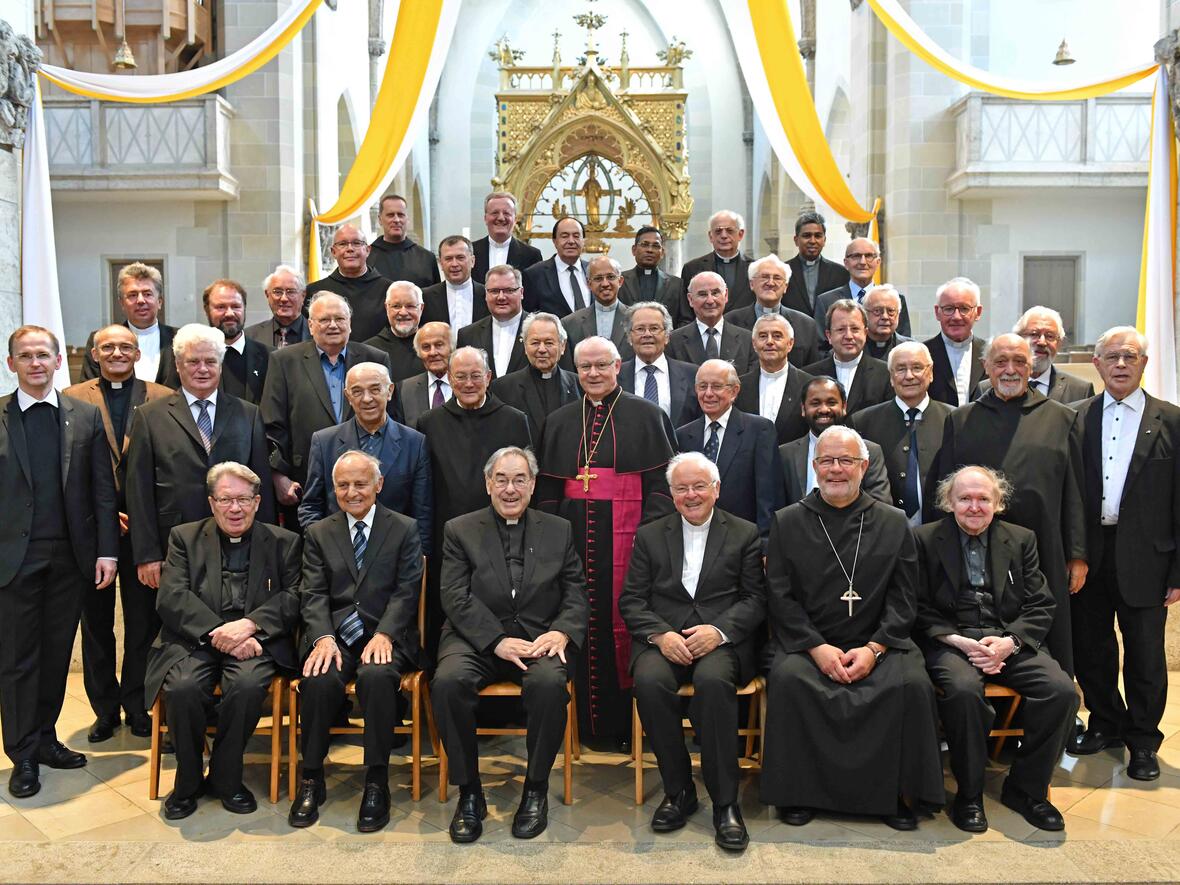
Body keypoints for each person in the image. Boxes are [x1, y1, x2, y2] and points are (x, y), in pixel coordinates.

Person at [760, 426, 944, 829]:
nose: (836, 469)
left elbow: (905, 597)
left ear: (864, 466)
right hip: (809, 644)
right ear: (814, 467)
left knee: (911, 684)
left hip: (880, 640)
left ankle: (895, 795)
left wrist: (875, 647)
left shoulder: (895, 523)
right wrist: (816, 648)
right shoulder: (788, 522)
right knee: (790, 680)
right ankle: (799, 794)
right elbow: (780, 596)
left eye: (846, 460)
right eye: (827, 460)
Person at [433, 447, 588, 843]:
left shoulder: (559, 529)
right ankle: (469, 793)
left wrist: (563, 633)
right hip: (476, 639)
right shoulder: (459, 529)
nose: (510, 488)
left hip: (539, 638)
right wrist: (496, 641)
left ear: (533, 485)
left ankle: (535, 790)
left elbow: (575, 590)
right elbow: (454, 596)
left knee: (550, 685)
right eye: (501, 479)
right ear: (488, 484)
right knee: (448, 683)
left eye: (520, 479)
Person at [915, 466, 1076, 833]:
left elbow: (1040, 603)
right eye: (965, 498)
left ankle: (1026, 790)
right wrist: (955, 639)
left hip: (1008, 640)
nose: (974, 506)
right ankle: (969, 795)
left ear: (997, 503)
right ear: (948, 502)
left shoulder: (1022, 539)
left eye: (983, 498)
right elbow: (916, 605)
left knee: (1061, 691)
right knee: (962, 691)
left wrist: (1009, 642)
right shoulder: (924, 539)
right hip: (952, 641)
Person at [620, 452, 766, 851]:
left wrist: (719, 631)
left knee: (713, 681)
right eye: (682, 487)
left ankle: (725, 803)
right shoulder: (650, 535)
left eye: (699, 485)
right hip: (664, 638)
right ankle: (679, 790)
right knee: (648, 682)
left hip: (720, 642)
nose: (691, 494)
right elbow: (631, 600)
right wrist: (661, 636)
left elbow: (755, 600)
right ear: (670, 494)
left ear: (716, 489)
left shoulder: (745, 533)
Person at [536, 336, 676, 745]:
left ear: (619, 366)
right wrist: (555, 539)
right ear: (575, 370)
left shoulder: (647, 415)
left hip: (629, 543)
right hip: (573, 542)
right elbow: (547, 491)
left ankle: (627, 729)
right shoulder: (560, 420)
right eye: (584, 367)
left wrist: (645, 540)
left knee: (622, 625)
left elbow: (663, 488)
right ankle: (582, 727)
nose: (593, 374)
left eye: (601, 366)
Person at [0, 326, 118, 799]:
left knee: (53, 656)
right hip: (13, 561)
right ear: (11, 364)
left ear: (56, 362)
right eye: (25, 356)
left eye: (43, 355)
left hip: (71, 558)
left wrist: (107, 550)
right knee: (17, 661)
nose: (35, 363)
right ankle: (22, 753)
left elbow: (102, 492)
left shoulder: (84, 417)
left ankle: (46, 739)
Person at [146, 462, 301, 820]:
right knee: (182, 688)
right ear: (212, 502)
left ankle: (225, 777)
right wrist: (220, 632)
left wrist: (249, 625)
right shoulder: (183, 538)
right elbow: (171, 597)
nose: (236, 508)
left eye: (244, 499)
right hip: (194, 640)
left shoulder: (284, 542)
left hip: (255, 641)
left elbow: (294, 596)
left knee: (247, 686)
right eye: (226, 499)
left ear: (258, 502)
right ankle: (187, 781)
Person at [288, 451, 423, 832]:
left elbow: (407, 590)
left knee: (377, 678)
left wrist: (385, 633)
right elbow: (311, 593)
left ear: (378, 485)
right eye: (343, 485)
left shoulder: (404, 529)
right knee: (318, 678)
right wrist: (322, 638)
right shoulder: (318, 533)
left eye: (360, 483)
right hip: (335, 636)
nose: (352, 492)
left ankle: (376, 780)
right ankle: (312, 776)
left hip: (385, 633)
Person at [937, 333, 1087, 673]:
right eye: (1000, 362)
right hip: (975, 549)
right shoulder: (961, 420)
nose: (1010, 370)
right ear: (986, 367)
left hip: (1045, 545)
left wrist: (1077, 553)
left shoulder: (1062, 419)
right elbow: (945, 493)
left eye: (1019, 361)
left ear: (1031, 367)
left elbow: (1075, 491)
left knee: (1048, 631)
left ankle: (1051, 707)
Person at [1069, 326, 1180, 781]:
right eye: (1111, 356)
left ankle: (1143, 740)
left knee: (1145, 655)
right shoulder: (1075, 417)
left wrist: (1178, 570)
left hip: (1148, 558)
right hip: (1090, 554)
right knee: (1092, 648)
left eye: (1129, 356)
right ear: (1096, 364)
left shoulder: (1172, 420)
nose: (1120, 364)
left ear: (1143, 364)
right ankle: (1106, 722)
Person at [64, 325, 171, 743]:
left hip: (145, 530)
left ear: (137, 353)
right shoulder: (72, 398)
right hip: (92, 532)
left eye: (125, 347)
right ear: (95, 352)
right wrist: (103, 514)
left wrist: (135, 514)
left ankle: (137, 704)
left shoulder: (161, 396)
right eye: (108, 347)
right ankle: (104, 709)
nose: (116, 353)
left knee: (143, 624)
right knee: (96, 624)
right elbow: (69, 470)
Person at [126, 324, 275, 596]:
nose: (202, 369)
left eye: (210, 361)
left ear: (221, 364)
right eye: (193, 362)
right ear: (179, 365)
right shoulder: (150, 416)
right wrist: (147, 554)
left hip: (236, 542)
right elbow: (138, 490)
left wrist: (264, 548)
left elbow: (260, 484)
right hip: (171, 542)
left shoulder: (249, 414)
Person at [416, 347, 532, 661]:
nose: (468, 383)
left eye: (475, 376)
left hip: (503, 535)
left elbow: (524, 483)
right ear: (449, 379)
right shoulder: (429, 423)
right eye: (461, 377)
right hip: (448, 537)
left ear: (489, 378)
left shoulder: (514, 420)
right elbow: (424, 488)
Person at [260, 292, 392, 524]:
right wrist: (279, 476)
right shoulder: (284, 361)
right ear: (310, 325)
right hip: (306, 484)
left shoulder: (375, 359)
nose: (333, 325)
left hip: (367, 486)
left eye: (340, 319)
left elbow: (391, 418)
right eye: (324, 319)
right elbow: (272, 424)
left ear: (350, 324)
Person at [298, 363, 432, 560]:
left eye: (375, 389)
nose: (367, 399)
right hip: (337, 560)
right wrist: (324, 548)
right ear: (347, 396)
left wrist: (418, 561)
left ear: (390, 391)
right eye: (357, 391)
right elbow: (311, 506)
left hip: (395, 559)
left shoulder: (415, 443)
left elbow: (423, 513)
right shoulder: (324, 442)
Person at [675, 361, 783, 547]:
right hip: (695, 540)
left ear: (734, 391)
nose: (708, 393)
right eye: (702, 387)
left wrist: (766, 544)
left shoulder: (759, 430)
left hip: (743, 541)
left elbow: (768, 494)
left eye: (716, 386)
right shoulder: (683, 435)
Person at [852, 342, 952, 525]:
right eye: (900, 369)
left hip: (940, 529)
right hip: (884, 528)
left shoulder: (953, 418)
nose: (909, 376)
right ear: (891, 377)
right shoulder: (863, 422)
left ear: (930, 373)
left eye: (917, 368)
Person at [779, 377, 891, 507]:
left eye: (831, 403)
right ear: (803, 409)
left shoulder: (870, 451)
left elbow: (881, 506)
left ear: (844, 407)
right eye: (815, 403)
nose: (824, 409)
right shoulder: (786, 454)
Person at [80, 262, 179, 388]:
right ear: (122, 303)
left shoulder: (181, 339)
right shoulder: (101, 340)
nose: (141, 301)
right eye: (132, 295)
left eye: (147, 294)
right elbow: (88, 390)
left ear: (159, 302)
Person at [489, 312, 581, 438]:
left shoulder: (580, 384)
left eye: (549, 343)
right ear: (525, 347)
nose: (542, 349)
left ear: (562, 346)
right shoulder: (502, 388)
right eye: (535, 343)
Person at [976, 306, 1095, 403]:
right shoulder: (987, 388)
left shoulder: (1080, 391)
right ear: (1019, 338)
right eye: (1034, 334)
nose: (1042, 342)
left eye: (1049, 336)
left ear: (1059, 343)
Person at [724, 253, 820, 368]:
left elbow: (812, 371)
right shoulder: (730, 321)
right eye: (764, 277)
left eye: (777, 278)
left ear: (785, 287)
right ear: (751, 284)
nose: (770, 283)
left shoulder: (806, 325)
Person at [618, 301, 702, 429]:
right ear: (629, 337)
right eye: (640, 329)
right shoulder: (615, 376)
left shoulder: (693, 374)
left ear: (667, 336)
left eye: (654, 328)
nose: (647, 334)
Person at [305, 223, 394, 343]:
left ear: (368, 250)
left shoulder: (390, 291)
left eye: (357, 243)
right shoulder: (313, 291)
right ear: (333, 252)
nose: (350, 249)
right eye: (342, 244)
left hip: (375, 360)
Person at [735, 314, 813, 445]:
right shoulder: (739, 386)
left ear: (790, 343)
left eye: (777, 336)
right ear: (754, 344)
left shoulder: (809, 385)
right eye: (763, 336)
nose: (769, 341)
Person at [803, 299, 892, 415]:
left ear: (865, 334)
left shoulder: (886, 374)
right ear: (829, 336)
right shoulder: (809, 376)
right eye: (841, 329)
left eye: (855, 329)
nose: (849, 336)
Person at [814, 238, 911, 338]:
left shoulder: (895, 300)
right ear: (846, 263)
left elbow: (903, 344)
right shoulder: (826, 301)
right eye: (856, 256)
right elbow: (821, 347)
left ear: (878, 262)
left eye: (869, 256)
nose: (863, 262)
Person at [666, 272, 756, 373]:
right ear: (690, 299)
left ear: (725, 295)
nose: (710, 300)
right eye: (702, 294)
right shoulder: (673, 341)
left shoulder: (748, 340)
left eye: (715, 293)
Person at [203, 279, 269, 403]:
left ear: (244, 308)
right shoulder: (192, 359)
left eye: (236, 306)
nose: (229, 313)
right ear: (207, 310)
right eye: (221, 307)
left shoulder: (270, 358)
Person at [456, 265, 527, 380]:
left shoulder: (538, 330)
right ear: (486, 294)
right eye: (494, 291)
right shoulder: (468, 335)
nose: (501, 297)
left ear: (521, 292)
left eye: (509, 290)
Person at [924, 277, 985, 407]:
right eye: (948, 309)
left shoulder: (991, 354)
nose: (956, 317)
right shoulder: (922, 354)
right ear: (937, 312)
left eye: (964, 308)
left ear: (978, 312)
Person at [561, 256, 634, 361]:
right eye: (598, 278)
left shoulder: (635, 319)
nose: (605, 284)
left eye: (610, 277)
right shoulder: (570, 323)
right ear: (589, 284)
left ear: (620, 281)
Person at [679, 210, 754, 313]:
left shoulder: (755, 268)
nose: (723, 236)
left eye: (729, 230)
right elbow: (686, 311)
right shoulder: (692, 268)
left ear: (740, 234)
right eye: (718, 231)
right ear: (711, 236)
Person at [367, 193, 440, 289]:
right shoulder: (367, 257)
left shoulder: (426, 258)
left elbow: (435, 296)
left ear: (407, 219)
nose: (396, 220)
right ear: (380, 219)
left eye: (401, 215)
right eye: (390, 215)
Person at [522, 216, 591, 317]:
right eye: (564, 236)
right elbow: (527, 316)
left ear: (583, 241)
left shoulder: (593, 271)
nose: (571, 241)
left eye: (576, 236)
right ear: (554, 241)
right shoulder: (534, 275)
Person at [784, 211, 849, 315]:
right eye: (807, 236)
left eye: (818, 236)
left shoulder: (840, 273)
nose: (813, 241)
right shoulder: (783, 271)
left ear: (824, 240)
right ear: (796, 240)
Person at [618, 226, 685, 326]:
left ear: (662, 252)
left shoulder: (676, 284)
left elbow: (685, 320)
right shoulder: (619, 281)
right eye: (644, 245)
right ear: (634, 250)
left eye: (655, 246)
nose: (650, 250)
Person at [471, 191, 542, 284]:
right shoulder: (471, 252)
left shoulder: (532, 255)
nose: (501, 218)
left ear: (515, 219)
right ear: (485, 218)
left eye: (506, 213)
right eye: (495, 213)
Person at [363, 281, 427, 382]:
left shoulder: (433, 348)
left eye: (410, 306)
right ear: (386, 308)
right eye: (396, 306)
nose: (403, 312)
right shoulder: (369, 350)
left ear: (421, 308)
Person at [421, 235, 488, 331]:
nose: (454, 264)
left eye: (460, 258)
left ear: (472, 261)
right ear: (441, 263)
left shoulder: (488, 295)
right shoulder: (425, 297)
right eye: (448, 259)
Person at [396, 321, 453, 429]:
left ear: (451, 348)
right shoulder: (405, 389)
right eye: (426, 347)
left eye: (439, 345)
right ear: (419, 353)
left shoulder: (467, 384)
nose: (433, 352)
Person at [246, 265, 311, 349]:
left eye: (291, 292)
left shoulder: (318, 334)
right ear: (267, 294)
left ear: (303, 295)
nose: (284, 298)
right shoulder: (249, 337)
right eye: (277, 292)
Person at [862, 284, 911, 361]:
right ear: (865, 314)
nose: (885, 317)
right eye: (877, 311)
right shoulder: (854, 348)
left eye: (891, 311)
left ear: (898, 313)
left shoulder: (911, 349)